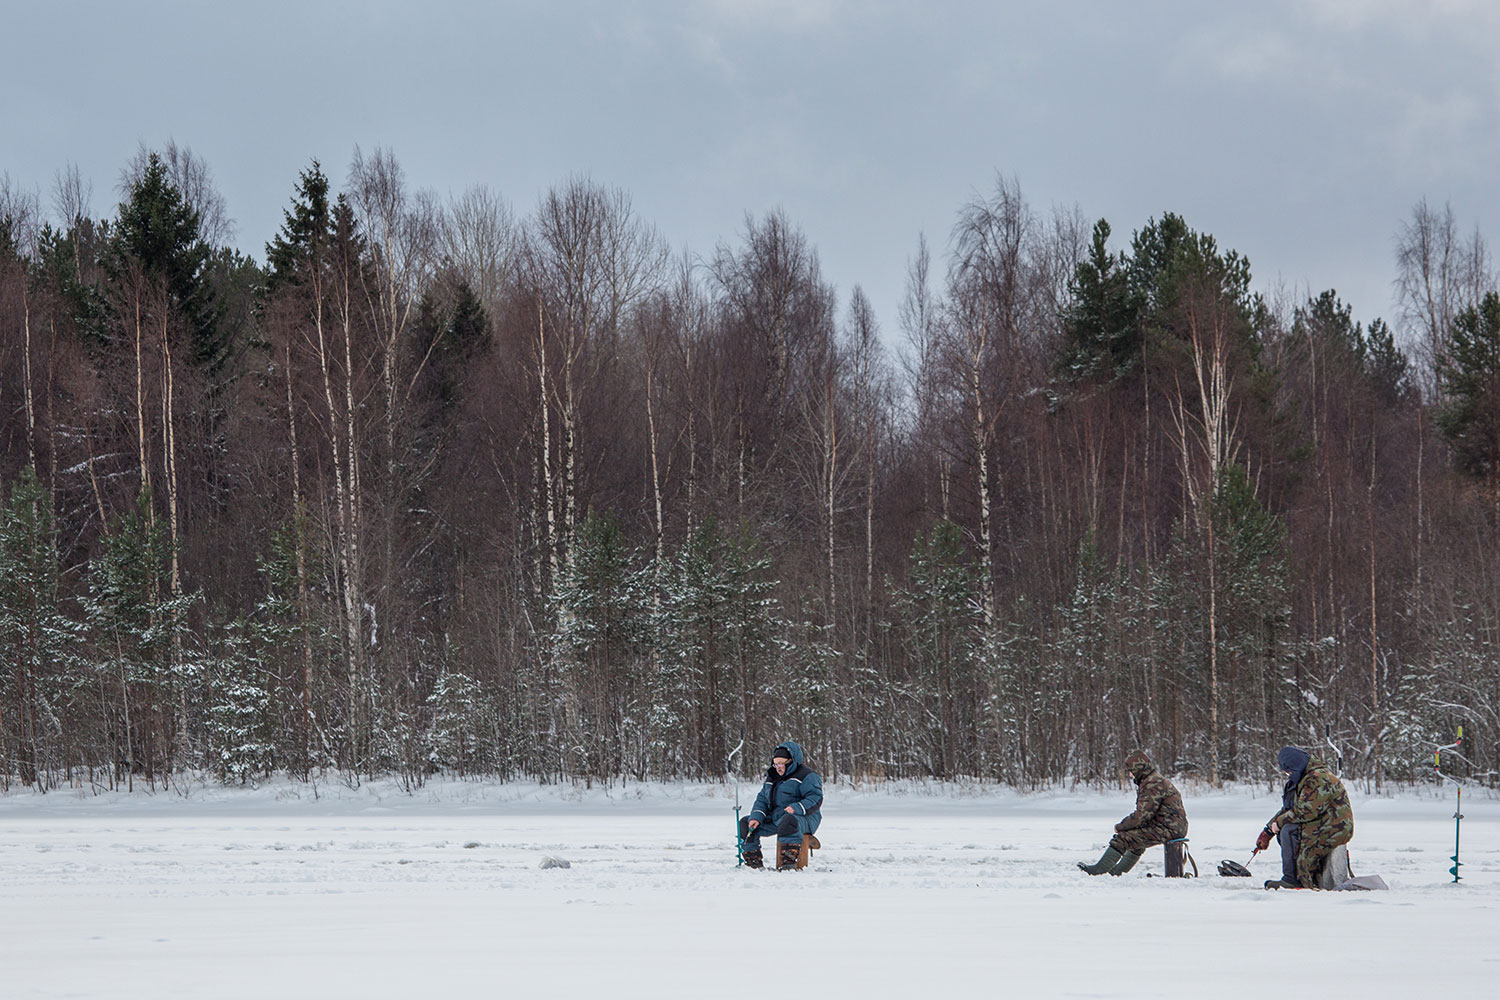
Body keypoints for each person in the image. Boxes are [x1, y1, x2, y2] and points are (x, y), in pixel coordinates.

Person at [1078, 749, 1188, 876]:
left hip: (1169, 828)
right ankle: (1116, 872)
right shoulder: (1152, 780)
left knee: (1124, 838)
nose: (1130, 775)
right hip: (1169, 826)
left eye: (1131, 771)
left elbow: (1142, 815)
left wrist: (1121, 826)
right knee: (1135, 839)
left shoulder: (1152, 783)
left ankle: (1099, 871)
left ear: (1138, 768)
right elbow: (1146, 815)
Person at [1257, 745, 1353, 889]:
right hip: (1319, 822)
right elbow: (1289, 809)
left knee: (1289, 831)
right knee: (1285, 829)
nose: (1288, 774)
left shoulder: (1317, 779)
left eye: (1289, 771)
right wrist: (1269, 830)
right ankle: (1302, 877)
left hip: (1334, 826)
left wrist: (1279, 823)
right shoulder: (1303, 778)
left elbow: (1306, 811)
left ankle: (1292, 880)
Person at [739, 741, 823, 870]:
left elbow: (815, 798)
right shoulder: (772, 777)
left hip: (804, 817)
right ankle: (753, 863)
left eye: (781, 763)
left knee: (788, 821)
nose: (778, 767)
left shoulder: (807, 776)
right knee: (746, 823)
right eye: (776, 763)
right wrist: (756, 817)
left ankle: (788, 862)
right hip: (777, 817)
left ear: (791, 761)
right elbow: (762, 799)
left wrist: (796, 807)